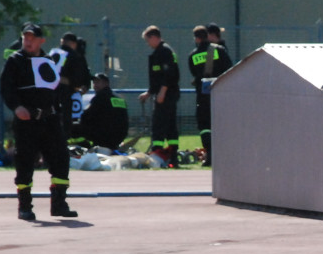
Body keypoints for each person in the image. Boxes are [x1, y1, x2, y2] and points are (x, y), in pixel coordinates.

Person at [0, 23, 78, 221]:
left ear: (41, 41)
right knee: (25, 162)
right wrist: (17, 107)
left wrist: (57, 111)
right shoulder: (15, 61)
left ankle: (59, 204)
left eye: (32, 38)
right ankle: (25, 206)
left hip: (49, 119)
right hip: (27, 121)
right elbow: (6, 89)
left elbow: (56, 88)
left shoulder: (48, 60)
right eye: (25, 37)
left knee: (61, 158)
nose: (28, 41)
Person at [188, 25, 233, 167]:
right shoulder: (219, 50)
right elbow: (229, 69)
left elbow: (194, 73)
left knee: (204, 126)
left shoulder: (193, 55)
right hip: (220, 93)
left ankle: (210, 154)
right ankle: (224, 155)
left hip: (202, 95)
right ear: (207, 36)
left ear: (196, 39)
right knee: (221, 124)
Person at [138, 25, 180, 167]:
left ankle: (158, 154)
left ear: (154, 37)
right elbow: (157, 77)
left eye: (148, 40)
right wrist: (149, 92)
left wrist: (162, 92)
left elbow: (170, 74)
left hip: (167, 94)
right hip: (164, 93)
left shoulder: (165, 52)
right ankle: (171, 156)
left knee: (159, 125)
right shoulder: (158, 53)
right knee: (169, 126)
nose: (147, 44)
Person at [72, 73, 129, 151]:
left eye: (98, 82)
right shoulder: (119, 99)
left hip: (103, 137)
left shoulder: (100, 97)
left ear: (106, 83)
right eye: (94, 83)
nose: (95, 85)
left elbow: (86, 116)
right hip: (119, 137)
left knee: (72, 127)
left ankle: (80, 148)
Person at [50, 32, 92, 138]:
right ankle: (64, 141)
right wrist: (76, 86)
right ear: (74, 44)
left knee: (51, 116)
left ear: (62, 41)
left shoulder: (52, 52)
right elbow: (78, 77)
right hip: (64, 91)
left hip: (49, 90)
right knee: (65, 119)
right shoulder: (74, 55)